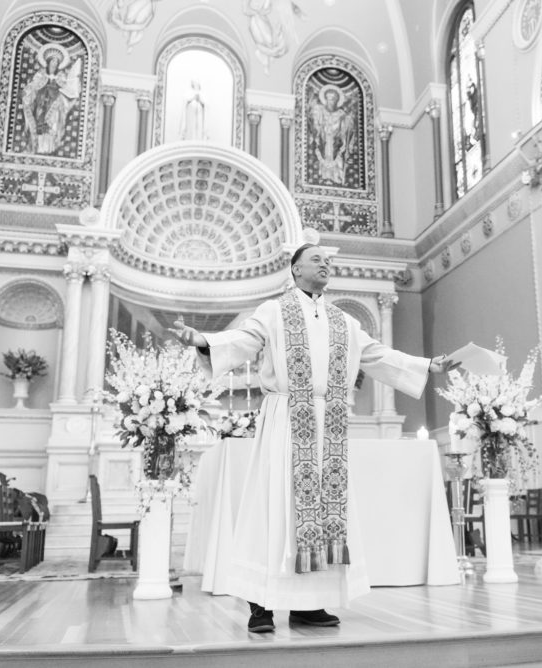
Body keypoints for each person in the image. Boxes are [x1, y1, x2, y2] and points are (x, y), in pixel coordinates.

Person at [169, 243, 456, 633]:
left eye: (328, 261)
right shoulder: (274, 311)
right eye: (316, 259)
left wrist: (428, 365)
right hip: (286, 417)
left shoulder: (343, 322)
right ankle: (261, 604)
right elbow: (243, 340)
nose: (325, 264)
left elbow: (377, 355)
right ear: (295, 269)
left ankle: (309, 604)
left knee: (324, 513)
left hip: (330, 425)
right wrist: (203, 340)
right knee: (274, 506)